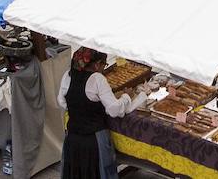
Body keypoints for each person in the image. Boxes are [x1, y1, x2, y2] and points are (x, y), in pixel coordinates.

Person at [58, 47, 150, 179]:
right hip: (94, 140)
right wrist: (126, 96)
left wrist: (84, 106)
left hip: (73, 138)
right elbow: (114, 110)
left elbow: (62, 102)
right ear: (97, 64)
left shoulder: (68, 75)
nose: (103, 68)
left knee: (77, 173)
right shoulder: (97, 79)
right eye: (104, 64)